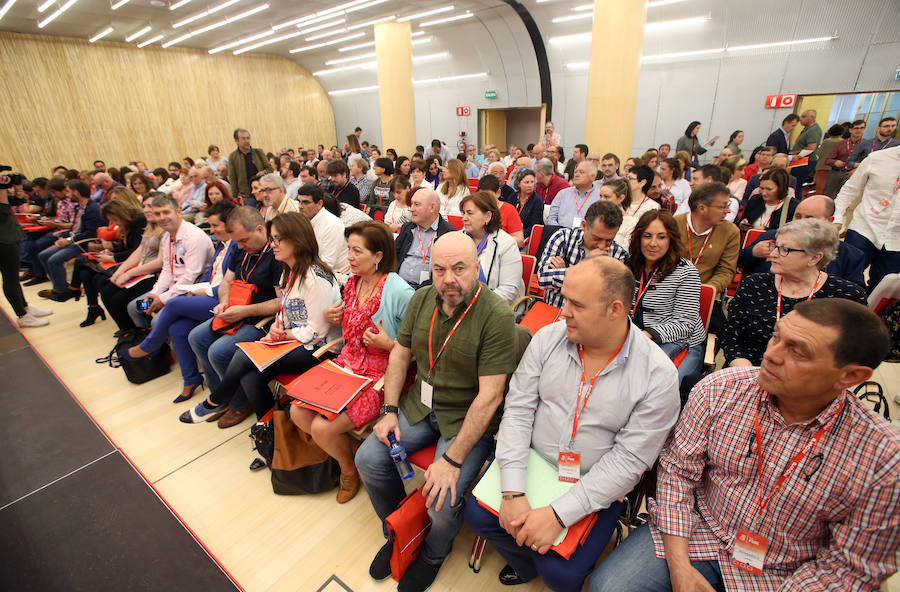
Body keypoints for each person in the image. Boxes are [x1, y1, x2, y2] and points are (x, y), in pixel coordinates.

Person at [591, 298, 898, 592]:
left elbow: (849, 567)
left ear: (850, 376)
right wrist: (680, 567)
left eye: (798, 352)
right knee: (610, 587)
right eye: (776, 337)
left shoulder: (883, 458)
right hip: (699, 530)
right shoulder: (720, 390)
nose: (771, 354)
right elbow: (677, 474)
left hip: (786, 567)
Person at [465, 257, 680, 592]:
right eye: (565, 299)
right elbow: (518, 410)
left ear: (615, 310)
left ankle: (537, 563)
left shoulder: (657, 375)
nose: (563, 311)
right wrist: (513, 491)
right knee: (477, 517)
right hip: (535, 463)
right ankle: (526, 564)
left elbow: (629, 461)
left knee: (561, 574)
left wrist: (558, 515)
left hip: (593, 482)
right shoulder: (548, 339)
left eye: (576, 304)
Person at [355, 232, 518, 592]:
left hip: (464, 418)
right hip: (420, 404)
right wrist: (389, 409)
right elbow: (400, 354)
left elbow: (490, 397)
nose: (449, 279)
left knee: (441, 501)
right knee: (368, 459)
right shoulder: (422, 299)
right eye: (440, 270)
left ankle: (433, 552)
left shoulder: (497, 316)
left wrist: (453, 460)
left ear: (477, 266)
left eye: (459, 268)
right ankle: (399, 528)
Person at [182, 210, 341, 429]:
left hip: (319, 348)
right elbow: (284, 309)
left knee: (244, 355)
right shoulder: (289, 271)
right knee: (250, 377)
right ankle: (270, 431)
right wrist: (277, 327)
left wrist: (282, 335)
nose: (272, 244)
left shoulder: (316, 279)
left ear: (297, 240)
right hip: (295, 341)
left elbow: (316, 332)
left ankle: (216, 400)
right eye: (272, 238)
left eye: (278, 239)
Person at [291, 221, 414, 503]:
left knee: (322, 428)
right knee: (298, 412)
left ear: (378, 256)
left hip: (381, 374)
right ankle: (354, 454)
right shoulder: (352, 282)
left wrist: (389, 344)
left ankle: (348, 468)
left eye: (357, 251)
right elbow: (351, 323)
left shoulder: (399, 291)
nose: (349, 257)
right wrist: (333, 315)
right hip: (349, 363)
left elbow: (418, 347)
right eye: (349, 249)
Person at [121, 201, 237, 402]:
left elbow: (194, 276)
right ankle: (190, 379)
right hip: (185, 292)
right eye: (157, 213)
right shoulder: (167, 237)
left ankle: (151, 346)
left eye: (165, 212)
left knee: (163, 314)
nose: (161, 217)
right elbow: (167, 270)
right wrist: (156, 294)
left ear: (178, 211)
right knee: (138, 309)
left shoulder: (198, 238)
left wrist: (165, 298)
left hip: (204, 296)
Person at [722, 218, 866, 367]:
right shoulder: (754, 284)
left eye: (785, 249)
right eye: (775, 246)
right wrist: (749, 373)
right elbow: (732, 339)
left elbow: (854, 353)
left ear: (814, 258)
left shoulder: (847, 297)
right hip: (747, 371)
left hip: (809, 377)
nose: (773, 254)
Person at [186, 206, 281, 429]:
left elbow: (280, 303)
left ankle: (239, 403)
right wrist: (224, 301)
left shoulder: (276, 254)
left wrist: (244, 311)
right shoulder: (241, 248)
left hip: (262, 318)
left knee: (219, 352)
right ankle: (220, 398)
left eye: (243, 240)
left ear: (260, 229)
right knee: (196, 337)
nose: (239, 246)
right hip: (236, 309)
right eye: (237, 242)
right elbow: (226, 282)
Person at [627, 210, 707, 380]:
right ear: (639, 238)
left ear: (671, 239)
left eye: (661, 237)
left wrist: (647, 335)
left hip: (678, 341)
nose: (653, 243)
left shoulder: (686, 272)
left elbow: (685, 324)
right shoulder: (629, 264)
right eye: (647, 236)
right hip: (634, 338)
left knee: (658, 384)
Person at [739, 195, 866, 286]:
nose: (801, 222)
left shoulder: (850, 255)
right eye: (798, 216)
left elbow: (853, 296)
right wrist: (753, 252)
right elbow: (739, 262)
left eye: (809, 218)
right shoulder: (771, 237)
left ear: (829, 221)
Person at [834, 144, 900, 293]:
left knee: (883, 289)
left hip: (896, 240)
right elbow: (850, 190)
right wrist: (837, 218)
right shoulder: (878, 158)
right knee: (844, 279)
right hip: (864, 228)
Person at [538, 201, 627, 308]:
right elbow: (542, 279)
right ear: (584, 225)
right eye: (597, 238)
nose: (602, 246)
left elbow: (608, 297)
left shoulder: (618, 254)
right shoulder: (563, 237)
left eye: (609, 240)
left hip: (591, 316)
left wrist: (568, 272)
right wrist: (584, 268)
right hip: (554, 310)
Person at [74, 198, 146, 327]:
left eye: (114, 219)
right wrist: (111, 253)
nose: (114, 223)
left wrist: (114, 258)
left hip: (145, 268)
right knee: (86, 273)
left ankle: (132, 329)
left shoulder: (141, 221)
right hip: (134, 263)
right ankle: (94, 308)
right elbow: (130, 249)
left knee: (108, 288)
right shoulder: (129, 224)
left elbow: (139, 252)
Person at [99, 194, 164, 333]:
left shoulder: (166, 231)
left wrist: (129, 273)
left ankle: (139, 335)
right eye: (144, 206)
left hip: (156, 276)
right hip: (145, 272)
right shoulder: (150, 226)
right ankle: (127, 332)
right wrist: (120, 271)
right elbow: (139, 251)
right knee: (106, 291)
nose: (146, 210)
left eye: (150, 206)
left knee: (126, 303)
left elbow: (159, 263)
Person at [36, 180, 103, 302]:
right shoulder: (79, 206)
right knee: (43, 255)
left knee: (53, 260)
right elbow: (74, 227)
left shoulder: (92, 208)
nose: (67, 194)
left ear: (76, 192)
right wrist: (63, 237)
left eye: (68, 191)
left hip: (83, 243)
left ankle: (60, 291)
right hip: (73, 240)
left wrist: (68, 240)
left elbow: (91, 233)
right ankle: (61, 286)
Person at [674, 182, 740, 303]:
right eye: (722, 206)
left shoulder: (730, 232)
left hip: (705, 295)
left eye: (728, 205)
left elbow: (726, 271)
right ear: (702, 208)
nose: (728, 211)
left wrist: (705, 290)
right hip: (669, 291)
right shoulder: (673, 225)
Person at [0, 175, 52, 327]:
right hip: (3, 241)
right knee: (10, 278)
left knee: (13, 279)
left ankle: (25, 308)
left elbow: (19, 201)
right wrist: (2, 189)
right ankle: (22, 316)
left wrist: (15, 187)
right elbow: (3, 212)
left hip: (10, 236)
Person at [459, 192, 524, 305]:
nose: (464, 218)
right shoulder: (457, 239)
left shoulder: (507, 244)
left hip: (492, 306)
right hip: (458, 302)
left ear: (487, 216)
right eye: (463, 213)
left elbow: (508, 290)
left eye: (470, 213)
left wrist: (477, 305)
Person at [394, 188, 454, 289]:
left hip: (427, 291)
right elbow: (393, 256)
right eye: (411, 204)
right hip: (398, 285)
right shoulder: (408, 228)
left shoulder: (448, 234)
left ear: (432, 207)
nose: (411, 209)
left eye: (416, 204)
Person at [295, 183, 348, 272]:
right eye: (299, 201)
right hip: (308, 270)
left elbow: (327, 264)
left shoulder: (333, 225)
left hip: (333, 275)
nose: (300, 206)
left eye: (305, 202)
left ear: (319, 203)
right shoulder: (302, 219)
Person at [475, 174, 525, 248]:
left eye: (489, 196)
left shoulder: (509, 210)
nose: (485, 200)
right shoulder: (475, 209)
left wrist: (495, 241)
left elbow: (519, 240)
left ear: (498, 193)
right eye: (482, 196)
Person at [549, 161, 601, 228]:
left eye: (581, 172)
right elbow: (551, 218)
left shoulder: (599, 197)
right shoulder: (562, 194)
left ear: (593, 177)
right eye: (575, 172)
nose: (576, 175)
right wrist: (561, 231)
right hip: (561, 232)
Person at [227, 128, 272, 203]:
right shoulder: (232, 157)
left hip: (262, 192)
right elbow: (233, 178)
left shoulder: (258, 152)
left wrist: (264, 172)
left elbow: (270, 169)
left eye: (248, 138)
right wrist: (235, 197)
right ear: (237, 141)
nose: (246, 141)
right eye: (243, 139)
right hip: (247, 196)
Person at [620, 165, 661, 247]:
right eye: (626, 177)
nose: (626, 181)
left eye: (630, 178)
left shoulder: (653, 207)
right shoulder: (621, 201)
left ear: (642, 183)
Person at [823, 119, 865, 197]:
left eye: (861, 128)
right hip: (836, 173)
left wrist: (857, 168)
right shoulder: (841, 144)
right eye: (856, 128)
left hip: (853, 174)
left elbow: (869, 163)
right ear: (850, 130)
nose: (859, 130)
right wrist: (835, 162)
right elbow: (828, 160)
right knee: (828, 197)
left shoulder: (866, 145)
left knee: (845, 198)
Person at [502, 168, 544, 238]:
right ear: (519, 184)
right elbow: (505, 216)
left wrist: (517, 234)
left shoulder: (537, 201)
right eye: (526, 182)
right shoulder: (513, 197)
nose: (530, 185)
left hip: (526, 236)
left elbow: (534, 226)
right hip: (510, 232)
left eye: (532, 182)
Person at [790, 109, 822, 185]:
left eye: (804, 117)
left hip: (804, 162)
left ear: (812, 118)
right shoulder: (807, 129)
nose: (800, 119)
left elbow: (811, 148)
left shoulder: (813, 130)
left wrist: (794, 153)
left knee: (796, 184)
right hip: (800, 161)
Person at [813, 124, 845, 194]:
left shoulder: (826, 141)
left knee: (820, 187)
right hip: (834, 168)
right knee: (831, 190)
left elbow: (819, 153)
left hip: (822, 166)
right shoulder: (843, 142)